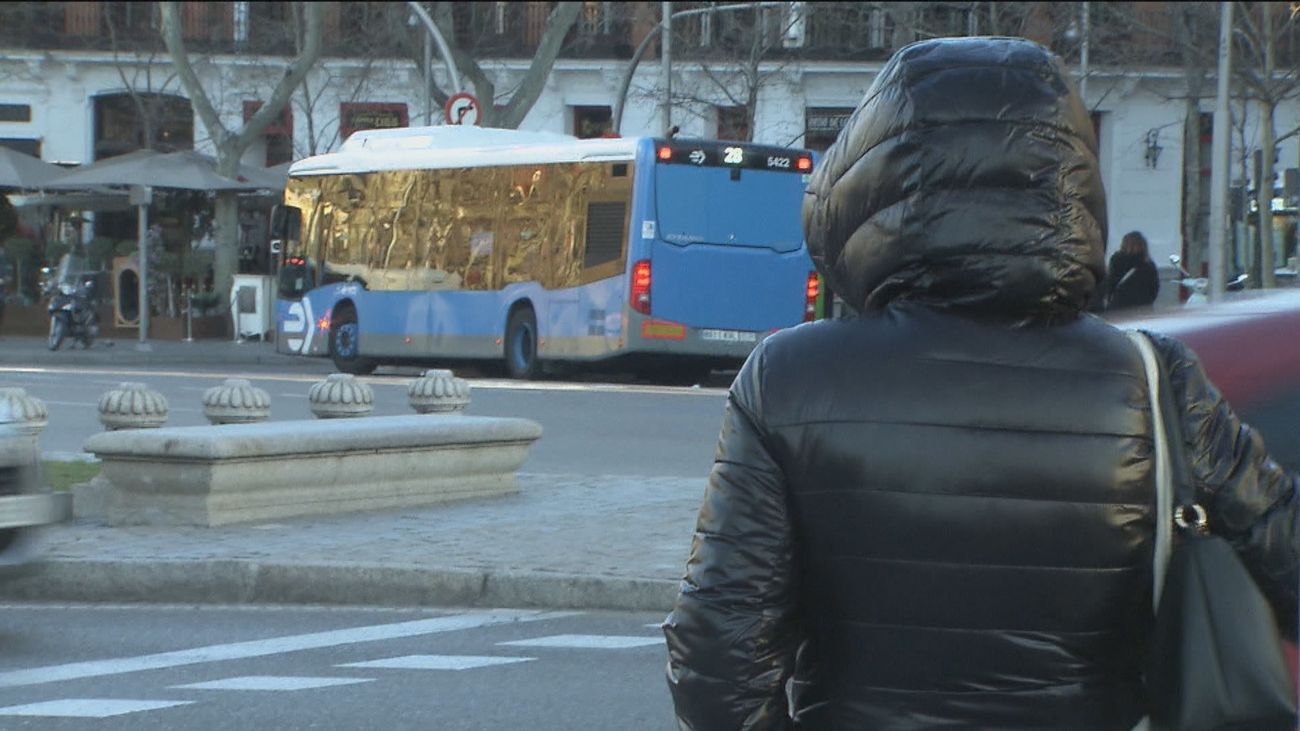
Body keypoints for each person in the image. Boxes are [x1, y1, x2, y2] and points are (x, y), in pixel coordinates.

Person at [663, 37, 1298, 730]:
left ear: (874, 182)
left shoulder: (790, 379)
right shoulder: (1156, 383)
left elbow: (718, 652)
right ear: (1070, 180)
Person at [1104, 231, 1160, 310]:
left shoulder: (1117, 261)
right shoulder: (1149, 265)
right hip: (1143, 309)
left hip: (1118, 309)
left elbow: (1110, 284)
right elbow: (1154, 289)